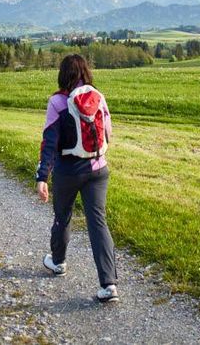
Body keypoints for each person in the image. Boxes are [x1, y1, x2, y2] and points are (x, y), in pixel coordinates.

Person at [36, 54, 119, 303]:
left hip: (68, 171)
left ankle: (58, 262)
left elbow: (49, 142)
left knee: (63, 216)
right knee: (98, 223)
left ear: (63, 74)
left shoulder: (57, 102)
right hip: (98, 169)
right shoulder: (98, 96)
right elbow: (109, 134)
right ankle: (109, 285)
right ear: (86, 72)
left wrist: (42, 177)